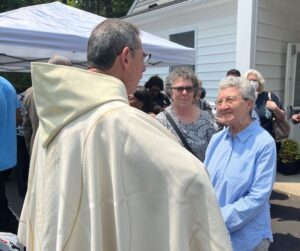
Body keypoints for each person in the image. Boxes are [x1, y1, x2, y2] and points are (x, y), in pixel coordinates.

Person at [18, 19, 231, 251]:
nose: (144, 68)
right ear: (126, 57)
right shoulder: (123, 123)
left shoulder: (51, 122)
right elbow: (194, 179)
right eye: (143, 58)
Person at [204, 76, 276, 251]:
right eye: (219, 101)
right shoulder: (217, 139)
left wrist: (216, 220)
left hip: (247, 240)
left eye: (230, 100)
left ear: (249, 104)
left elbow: (258, 196)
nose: (222, 106)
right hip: (214, 236)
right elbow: (204, 181)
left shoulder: (264, 143)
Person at [156, 67, 216, 161]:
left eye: (189, 88)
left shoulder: (206, 118)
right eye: (179, 89)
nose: (184, 93)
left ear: (194, 91)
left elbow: (214, 153)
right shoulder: (161, 121)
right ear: (170, 91)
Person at [23, 55, 72, 155]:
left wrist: (30, 148)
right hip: (60, 151)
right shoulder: (67, 93)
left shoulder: (30, 92)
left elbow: (26, 126)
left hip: (37, 150)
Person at [244, 69, 286, 147]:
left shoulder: (268, 96)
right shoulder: (242, 98)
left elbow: (282, 117)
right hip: (248, 142)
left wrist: (275, 108)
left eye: (254, 80)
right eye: (249, 80)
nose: (252, 82)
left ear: (259, 83)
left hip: (268, 141)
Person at [0, 76, 19, 234]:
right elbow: (18, 117)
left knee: (2, 213)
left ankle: (22, 242)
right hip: (8, 157)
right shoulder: (7, 85)